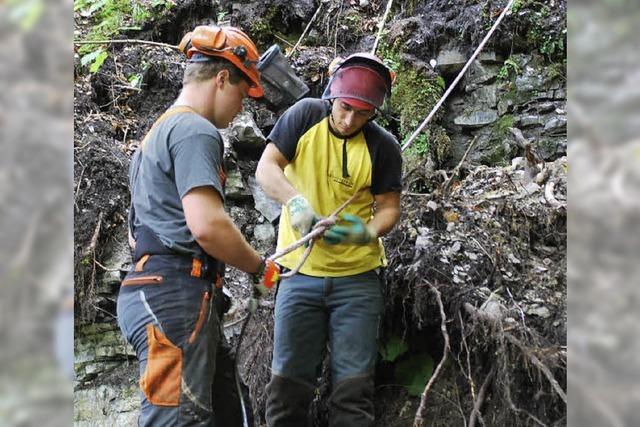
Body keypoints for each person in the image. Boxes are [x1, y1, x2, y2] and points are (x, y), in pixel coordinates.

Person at [116, 24, 279, 426]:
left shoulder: (154, 137)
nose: (241, 107)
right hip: (174, 296)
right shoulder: (194, 130)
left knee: (229, 414)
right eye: (242, 94)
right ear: (222, 78)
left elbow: (139, 233)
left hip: (161, 293)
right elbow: (207, 225)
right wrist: (261, 268)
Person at [256, 52, 403, 426]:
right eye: (344, 108)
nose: (349, 119)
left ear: (374, 112)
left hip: (357, 280)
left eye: (361, 113)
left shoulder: (382, 147)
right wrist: (297, 203)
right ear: (331, 96)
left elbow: (389, 208)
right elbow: (267, 168)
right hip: (299, 275)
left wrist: (365, 232)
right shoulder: (305, 115)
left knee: (353, 394)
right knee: (287, 387)